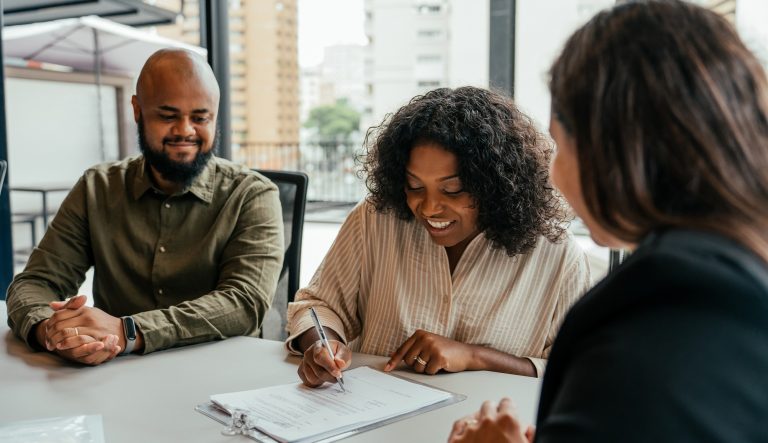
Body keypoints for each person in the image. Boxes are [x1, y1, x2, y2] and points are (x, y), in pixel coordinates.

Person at [448, 1, 768, 442]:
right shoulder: (738, 273)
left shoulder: (651, 313)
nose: (555, 178)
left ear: (608, 151)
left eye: (559, 147)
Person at [285, 86, 592, 387]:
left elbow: (580, 370)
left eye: (452, 190)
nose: (429, 207)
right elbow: (318, 304)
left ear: (497, 186)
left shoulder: (557, 255)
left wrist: (476, 357)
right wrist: (322, 344)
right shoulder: (374, 220)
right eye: (415, 186)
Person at [5, 48, 284, 365]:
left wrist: (129, 332)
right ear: (137, 110)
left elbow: (244, 303)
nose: (185, 130)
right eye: (168, 116)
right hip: (116, 374)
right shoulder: (97, 188)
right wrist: (52, 332)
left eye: (200, 117)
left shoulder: (252, 195)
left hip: (223, 378)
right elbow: (35, 282)